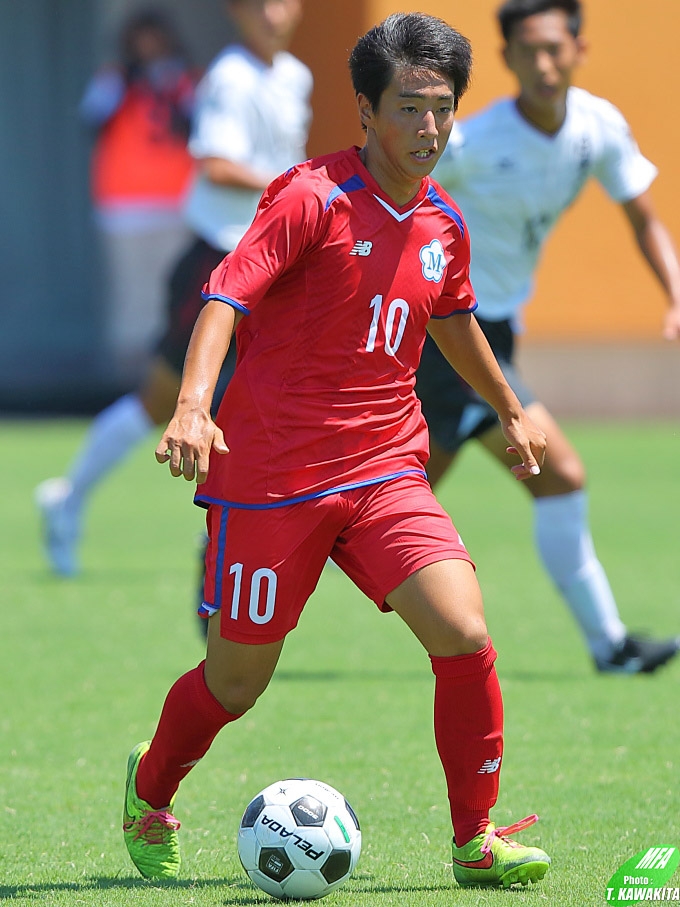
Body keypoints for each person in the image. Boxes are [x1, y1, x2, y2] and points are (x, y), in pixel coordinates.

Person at [121, 12, 552, 890]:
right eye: (409, 107)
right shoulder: (309, 198)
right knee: (235, 684)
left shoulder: (443, 222)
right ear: (365, 108)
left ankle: (475, 838)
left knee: (465, 632)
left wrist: (509, 407)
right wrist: (194, 404)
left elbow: (452, 316)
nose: (428, 127)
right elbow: (222, 298)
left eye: (442, 108)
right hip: (273, 477)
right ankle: (149, 787)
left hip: (387, 466)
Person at [418, 0, 680, 675]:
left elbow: (644, 216)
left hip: (498, 330)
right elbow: (396, 203)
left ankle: (245, 550)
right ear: (505, 58)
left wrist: (675, 294)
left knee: (393, 493)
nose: (543, 63)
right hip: (451, 331)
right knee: (558, 473)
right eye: (527, 50)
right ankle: (611, 647)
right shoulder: (473, 144)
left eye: (554, 48)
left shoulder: (598, 127)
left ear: (578, 50)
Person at [35, 0, 312, 578]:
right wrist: (298, 186)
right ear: (236, 12)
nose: (273, 13)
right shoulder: (230, 77)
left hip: (273, 264)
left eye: (283, 0)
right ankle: (67, 500)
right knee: (160, 402)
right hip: (218, 260)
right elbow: (215, 164)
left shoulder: (294, 75)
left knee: (283, 399)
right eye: (259, 3)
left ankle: (283, 531)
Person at [79, 9, 197, 384]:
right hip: (123, 205)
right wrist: (129, 82)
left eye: (155, 40)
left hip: (175, 203)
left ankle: (167, 376)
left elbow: (198, 127)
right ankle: (127, 377)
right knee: (131, 293)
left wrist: (171, 87)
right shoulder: (114, 79)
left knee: (173, 291)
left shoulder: (187, 80)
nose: (149, 48)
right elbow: (91, 120)